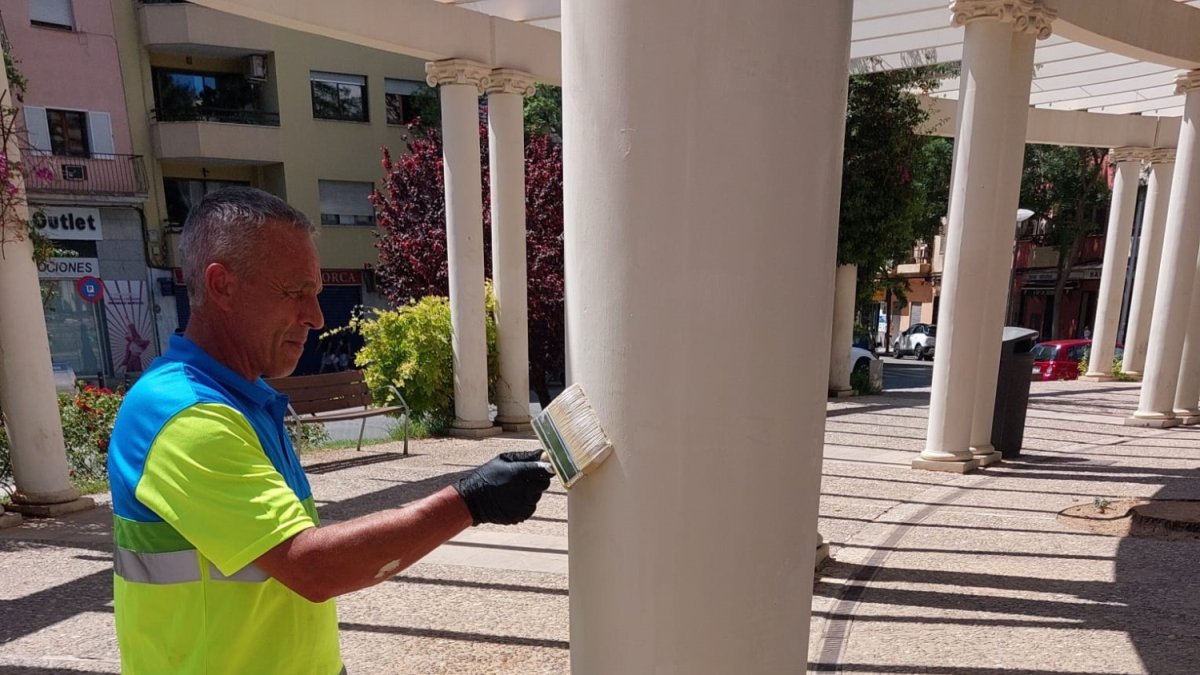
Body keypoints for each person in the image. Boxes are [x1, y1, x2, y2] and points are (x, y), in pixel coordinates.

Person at [106, 187, 552, 675]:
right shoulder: (184, 416)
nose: (315, 317)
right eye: (295, 292)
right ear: (222, 286)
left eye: (315, 293)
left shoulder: (241, 401)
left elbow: (276, 585)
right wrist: (470, 500)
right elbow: (312, 568)